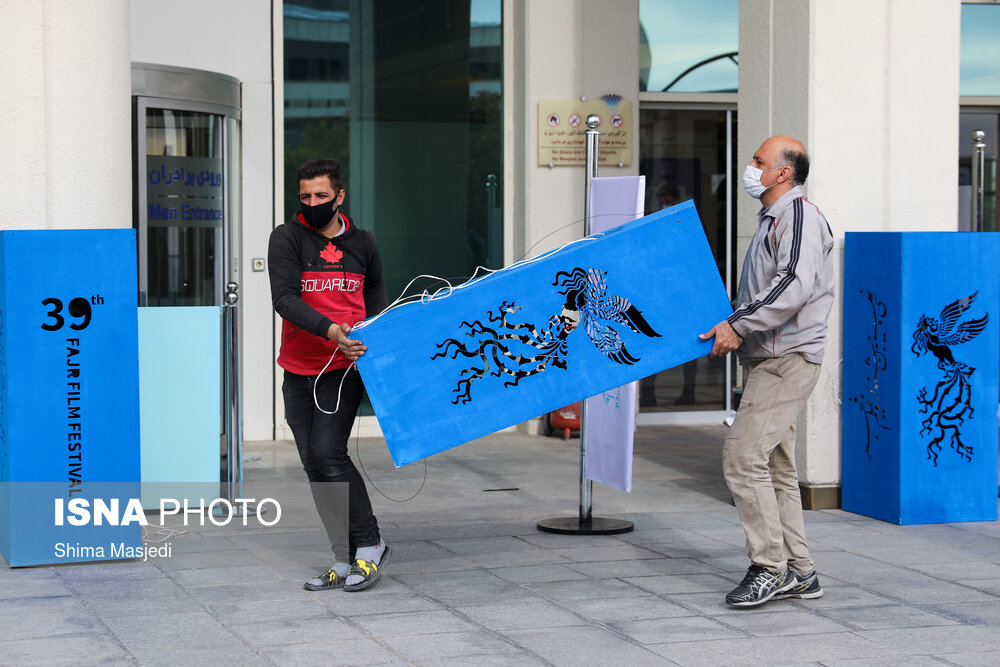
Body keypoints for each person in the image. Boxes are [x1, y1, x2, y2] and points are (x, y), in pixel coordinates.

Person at [699, 136, 834, 608]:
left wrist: (738, 324)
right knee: (775, 467)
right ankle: (800, 571)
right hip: (771, 357)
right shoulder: (773, 219)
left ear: (783, 173)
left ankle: (769, 567)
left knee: (741, 459)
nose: (750, 167)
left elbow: (792, 286)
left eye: (759, 161)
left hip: (787, 358)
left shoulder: (798, 216)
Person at [268, 158, 391, 592]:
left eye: (322, 196)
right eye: (305, 196)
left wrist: (372, 331)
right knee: (312, 463)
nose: (313, 203)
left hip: (344, 365)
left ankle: (370, 545)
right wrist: (329, 330)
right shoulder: (287, 238)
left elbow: (374, 289)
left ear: (339, 196)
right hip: (298, 365)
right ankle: (343, 557)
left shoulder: (364, 243)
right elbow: (283, 298)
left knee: (329, 452)